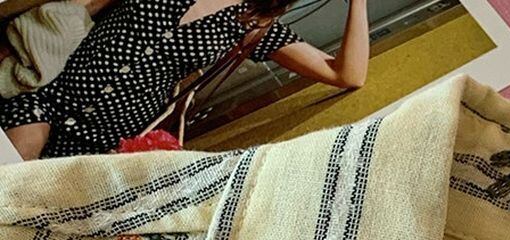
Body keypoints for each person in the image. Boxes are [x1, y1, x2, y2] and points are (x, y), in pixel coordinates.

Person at [0, 0, 370, 159]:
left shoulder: (254, 24)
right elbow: (80, 8)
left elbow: (347, 74)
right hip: (52, 91)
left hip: (105, 133)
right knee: (16, 162)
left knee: (31, 204)